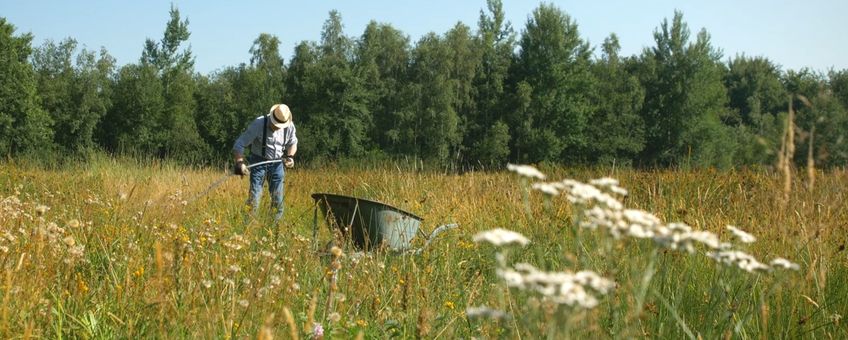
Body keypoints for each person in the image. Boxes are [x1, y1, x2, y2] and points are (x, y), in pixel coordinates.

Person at [232, 103, 298, 225]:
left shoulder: (289, 126)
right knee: (255, 198)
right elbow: (239, 144)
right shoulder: (259, 123)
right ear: (272, 117)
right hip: (258, 162)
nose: (278, 127)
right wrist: (240, 163)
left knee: (278, 199)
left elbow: (293, 143)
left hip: (278, 164)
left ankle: (274, 230)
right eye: (276, 124)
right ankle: (248, 227)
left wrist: (290, 157)